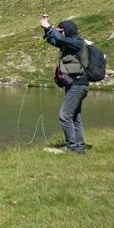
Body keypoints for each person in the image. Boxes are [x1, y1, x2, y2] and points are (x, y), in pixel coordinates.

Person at [40, 13, 89, 154]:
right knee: (75, 116)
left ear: (69, 30)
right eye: (59, 30)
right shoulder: (68, 43)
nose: (61, 32)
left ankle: (71, 146)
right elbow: (54, 41)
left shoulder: (78, 43)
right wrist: (46, 28)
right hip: (75, 84)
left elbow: (60, 38)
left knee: (64, 115)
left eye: (62, 30)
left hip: (78, 84)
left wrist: (49, 26)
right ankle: (80, 148)